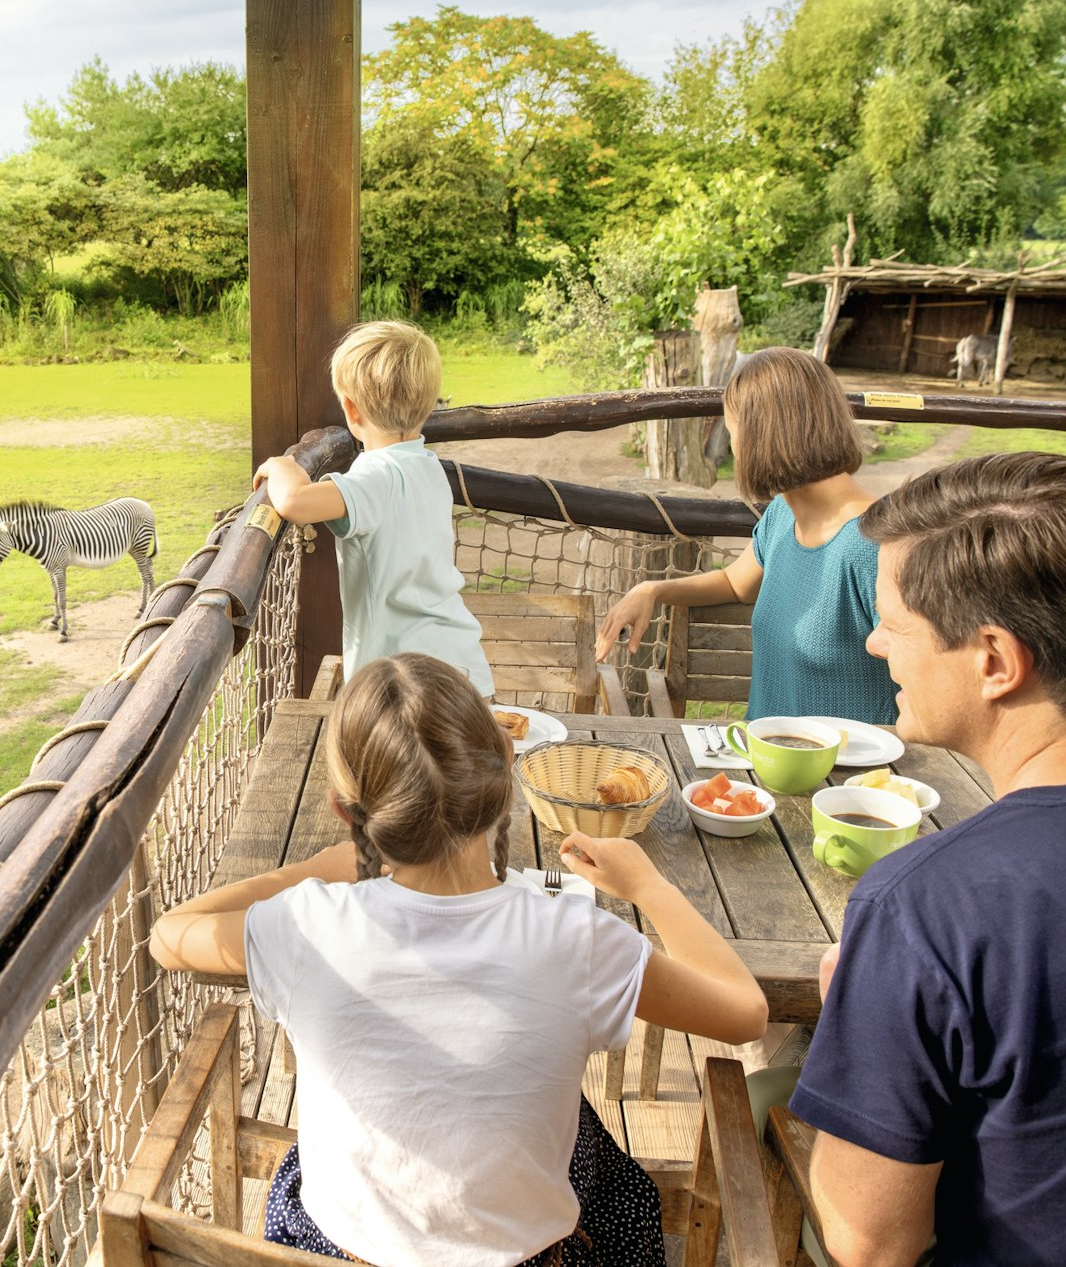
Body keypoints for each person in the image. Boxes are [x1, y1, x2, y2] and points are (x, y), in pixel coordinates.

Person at [149, 652, 768, 1267]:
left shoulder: (304, 925)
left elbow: (169, 934)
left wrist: (310, 872)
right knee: (604, 1166)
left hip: (335, 1251)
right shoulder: (577, 940)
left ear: (348, 813)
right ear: (505, 775)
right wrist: (650, 887)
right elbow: (745, 1014)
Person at [782, 452, 1066, 1265]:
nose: (876, 643)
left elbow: (869, 1244)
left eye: (893, 622)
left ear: (994, 660)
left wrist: (855, 1030)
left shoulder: (925, 908)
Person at [594, 346, 896, 724]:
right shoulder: (784, 514)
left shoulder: (875, 544)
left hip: (849, 777)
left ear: (762, 435)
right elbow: (736, 583)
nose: (733, 447)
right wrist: (652, 590)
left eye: (732, 429)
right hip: (767, 760)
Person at [252, 320, 493, 696]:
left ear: (351, 409)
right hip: (462, 670)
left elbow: (294, 502)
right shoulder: (427, 466)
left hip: (406, 685)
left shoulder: (376, 479)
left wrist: (284, 466)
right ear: (429, 404)